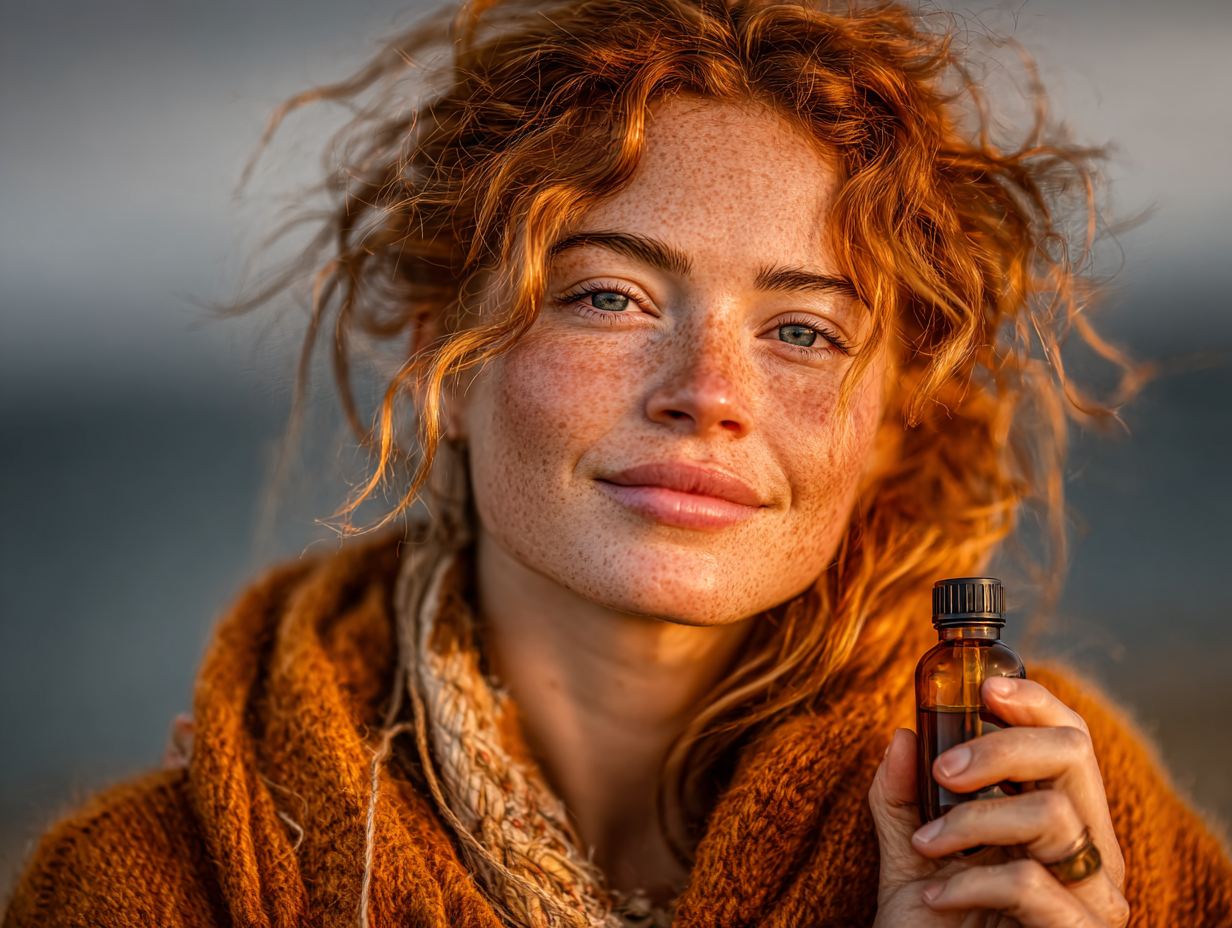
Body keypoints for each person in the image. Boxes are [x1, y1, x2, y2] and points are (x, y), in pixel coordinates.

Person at [5, 1, 1231, 926]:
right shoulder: (163, 882)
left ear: (892, 419)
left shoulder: (1061, 836)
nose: (708, 394)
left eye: (801, 330)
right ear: (443, 358)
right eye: (608, 296)